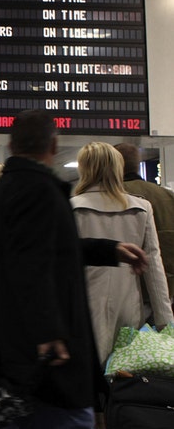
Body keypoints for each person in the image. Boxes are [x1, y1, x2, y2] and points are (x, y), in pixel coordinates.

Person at [0, 110, 149, 429]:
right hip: (51, 356)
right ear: (54, 144)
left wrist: (109, 249)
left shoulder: (1, 193)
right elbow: (32, 264)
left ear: (11, 145)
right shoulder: (38, 190)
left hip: (15, 348)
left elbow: (48, 249)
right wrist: (49, 333)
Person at [71, 142, 174, 365]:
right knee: (125, 377)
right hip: (129, 309)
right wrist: (165, 321)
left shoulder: (71, 208)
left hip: (84, 311)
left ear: (85, 169)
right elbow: (154, 269)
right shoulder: (141, 208)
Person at [115, 142, 174, 300]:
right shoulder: (168, 197)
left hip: (128, 293)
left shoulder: (112, 197)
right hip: (167, 292)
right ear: (137, 164)